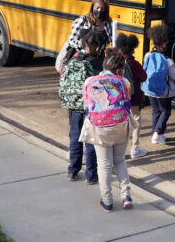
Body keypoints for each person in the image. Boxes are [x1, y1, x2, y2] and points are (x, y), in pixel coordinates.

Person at [80, 48, 133, 212]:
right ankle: (126, 196)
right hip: (120, 127)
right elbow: (127, 106)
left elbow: (87, 108)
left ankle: (108, 201)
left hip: (100, 129)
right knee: (120, 161)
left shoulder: (89, 82)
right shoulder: (124, 82)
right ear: (118, 70)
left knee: (103, 166)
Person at [58, 29, 103, 184]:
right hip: (90, 108)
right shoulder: (97, 63)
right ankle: (91, 175)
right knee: (90, 140)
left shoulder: (73, 60)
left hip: (74, 106)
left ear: (83, 44)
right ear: (97, 46)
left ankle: (72, 171)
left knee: (75, 138)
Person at [55, 0, 112, 74]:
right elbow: (71, 40)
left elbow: (109, 40)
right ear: (92, 8)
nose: (99, 10)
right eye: (97, 8)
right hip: (81, 58)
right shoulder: (83, 20)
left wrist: (100, 48)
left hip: (99, 59)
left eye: (102, 9)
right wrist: (82, 44)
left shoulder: (107, 23)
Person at [142, 24, 175, 145]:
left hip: (150, 90)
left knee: (156, 111)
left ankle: (155, 135)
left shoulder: (148, 55)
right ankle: (158, 131)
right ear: (163, 44)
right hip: (163, 92)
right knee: (166, 111)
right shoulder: (168, 61)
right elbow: (173, 76)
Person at [116, 33, 148, 159]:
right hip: (134, 99)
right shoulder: (134, 64)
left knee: (121, 123)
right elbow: (144, 77)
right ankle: (135, 148)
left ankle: (119, 149)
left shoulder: (117, 62)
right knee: (135, 123)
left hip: (119, 100)